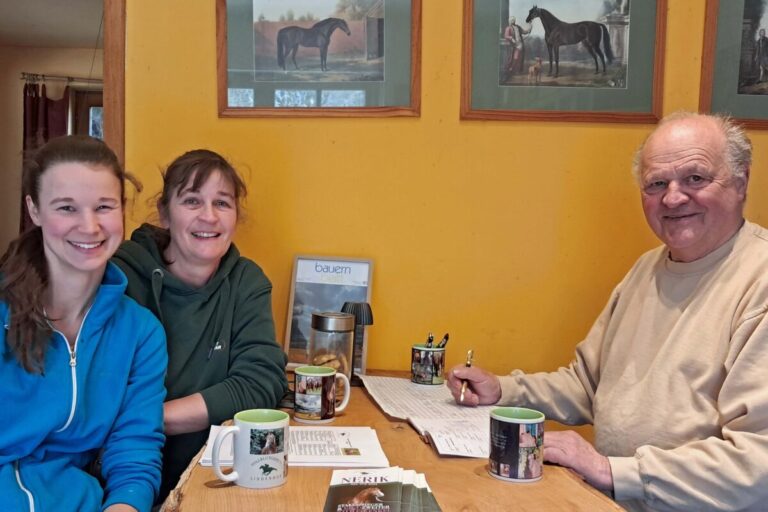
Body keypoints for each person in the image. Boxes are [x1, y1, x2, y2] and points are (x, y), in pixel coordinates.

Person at [447, 112, 768, 511]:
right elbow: (587, 386)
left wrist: (609, 470)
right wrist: (502, 391)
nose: (672, 197)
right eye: (656, 184)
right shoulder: (646, 269)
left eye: (695, 178)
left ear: (741, 182)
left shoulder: (760, 281)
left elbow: (758, 466)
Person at [0, 135, 167, 512]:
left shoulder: (141, 333)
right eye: (67, 208)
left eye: (103, 206)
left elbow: (135, 450)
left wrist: (123, 507)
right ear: (35, 210)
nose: (89, 226)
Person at [112, 149, 289, 501]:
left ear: (236, 216)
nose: (208, 216)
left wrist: (149, 416)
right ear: (164, 213)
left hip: (213, 477)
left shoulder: (247, 282)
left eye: (222, 203)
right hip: (121, 473)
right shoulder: (119, 278)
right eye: (192, 201)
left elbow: (262, 383)